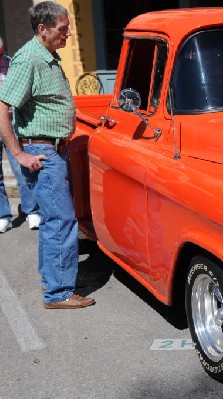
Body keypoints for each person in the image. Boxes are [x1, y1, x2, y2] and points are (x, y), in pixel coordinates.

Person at [0, 1, 94, 309]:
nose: (66, 34)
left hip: (53, 149)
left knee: (55, 219)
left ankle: (54, 279)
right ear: (43, 29)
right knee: (62, 220)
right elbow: (3, 107)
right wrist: (19, 154)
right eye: (62, 29)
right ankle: (59, 293)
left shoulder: (48, 55)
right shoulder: (29, 58)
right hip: (42, 152)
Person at [0, 36, 41, 233]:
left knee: (21, 168)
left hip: (10, 122)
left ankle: (31, 211)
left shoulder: (11, 64)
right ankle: (3, 215)